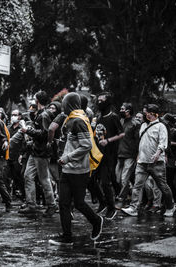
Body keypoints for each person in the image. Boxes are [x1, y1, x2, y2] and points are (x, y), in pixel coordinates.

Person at [49, 92, 103, 246]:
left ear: (70, 104)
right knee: (63, 203)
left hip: (79, 170)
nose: (62, 106)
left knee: (79, 203)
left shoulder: (78, 121)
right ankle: (67, 238)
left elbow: (86, 145)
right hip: (67, 169)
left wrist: (67, 157)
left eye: (64, 103)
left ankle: (96, 220)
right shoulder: (71, 119)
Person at [122, 104, 176, 217]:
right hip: (142, 162)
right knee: (137, 186)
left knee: (162, 186)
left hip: (156, 162)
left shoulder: (161, 126)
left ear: (154, 114)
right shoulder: (143, 126)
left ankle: (171, 207)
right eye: (146, 112)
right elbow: (141, 143)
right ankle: (133, 208)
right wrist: (138, 156)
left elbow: (163, 142)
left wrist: (158, 154)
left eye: (148, 112)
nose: (146, 114)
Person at [19, 91, 57, 217]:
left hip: (42, 152)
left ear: (38, 100)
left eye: (34, 98)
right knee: (28, 176)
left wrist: (28, 130)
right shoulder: (40, 114)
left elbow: (45, 134)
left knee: (44, 179)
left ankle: (51, 205)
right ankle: (31, 204)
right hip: (35, 151)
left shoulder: (44, 115)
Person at [94, 92, 124, 220]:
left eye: (101, 100)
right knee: (91, 180)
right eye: (98, 100)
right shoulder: (99, 117)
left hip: (109, 155)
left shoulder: (114, 117)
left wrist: (108, 141)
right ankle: (103, 202)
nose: (99, 102)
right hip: (97, 154)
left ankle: (111, 207)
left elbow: (122, 134)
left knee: (106, 182)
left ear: (108, 102)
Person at [115, 103, 141, 208]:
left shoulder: (135, 123)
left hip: (130, 155)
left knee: (124, 179)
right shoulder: (120, 121)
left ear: (128, 111)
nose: (120, 110)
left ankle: (121, 199)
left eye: (122, 109)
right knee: (117, 179)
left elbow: (138, 141)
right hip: (119, 154)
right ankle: (128, 194)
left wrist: (138, 154)